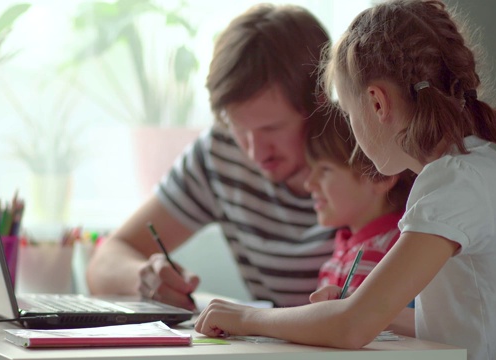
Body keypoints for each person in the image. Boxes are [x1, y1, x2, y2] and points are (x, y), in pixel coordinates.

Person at [194, 1, 496, 359]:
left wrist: (247, 317)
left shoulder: (454, 183)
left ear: (377, 103)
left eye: (350, 115)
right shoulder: (487, 169)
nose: (353, 135)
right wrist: (356, 305)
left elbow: (352, 328)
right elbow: (457, 320)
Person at [87, 3, 337, 311]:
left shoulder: (373, 161)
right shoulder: (220, 151)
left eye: (272, 128)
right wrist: (144, 279)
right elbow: (107, 258)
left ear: (321, 100)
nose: (254, 152)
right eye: (238, 128)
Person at [303, 113, 414, 296]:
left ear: (380, 178)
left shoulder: (393, 251)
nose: (309, 183)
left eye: (325, 169)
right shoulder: (347, 247)